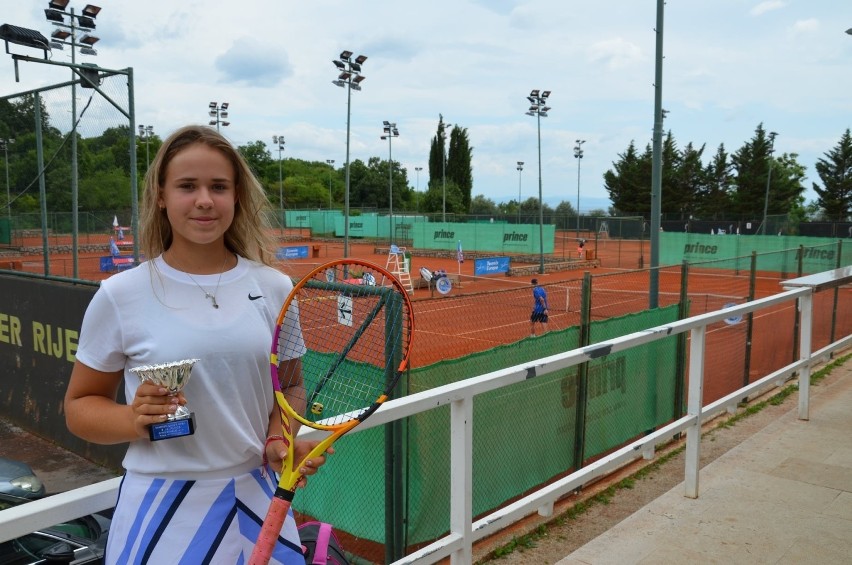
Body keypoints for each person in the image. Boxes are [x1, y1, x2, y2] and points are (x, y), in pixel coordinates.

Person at [64, 125, 329, 564]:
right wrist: (134, 420)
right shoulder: (120, 294)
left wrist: (277, 439)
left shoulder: (275, 287)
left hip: (260, 495)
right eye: (188, 186)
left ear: (237, 196)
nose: (204, 199)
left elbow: (292, 387)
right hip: (162, 506)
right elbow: (79, 406)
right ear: (161, 197)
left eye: (218, 187)